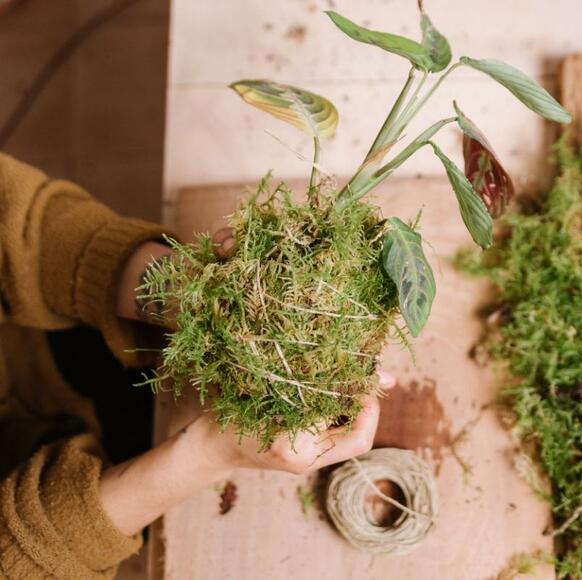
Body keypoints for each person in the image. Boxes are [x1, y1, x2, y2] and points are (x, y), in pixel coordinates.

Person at [0, 153, 393, 578]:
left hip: (38, 344)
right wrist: (210, 451)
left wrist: (193, 295)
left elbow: (15, 225)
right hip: (68, 513)